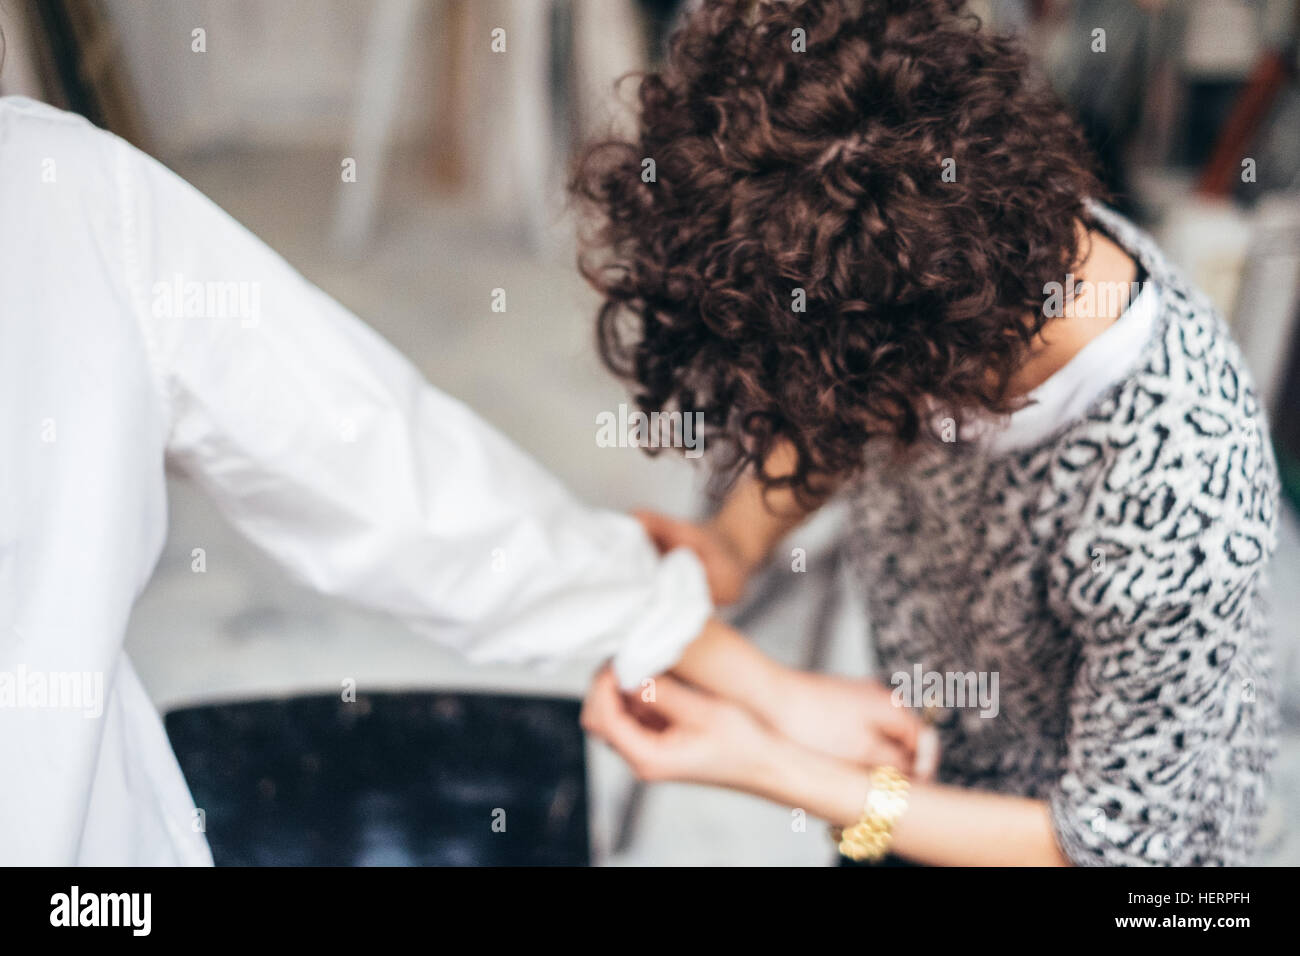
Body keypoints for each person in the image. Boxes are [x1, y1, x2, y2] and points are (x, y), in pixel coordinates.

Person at [0, 94, 931, 864]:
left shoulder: (57, 191)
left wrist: (745, 663)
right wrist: (792, 750)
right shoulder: (56, 189)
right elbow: (388, 473)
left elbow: (392, 474)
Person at [575, 0, 1279, 866]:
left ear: (911, 364)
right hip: (934, 753)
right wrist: (735, 545)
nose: (813, 434)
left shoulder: (1179, 491)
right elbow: (836, 408)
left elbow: (1110, 844)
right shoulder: (961, 261)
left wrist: (764, 760)